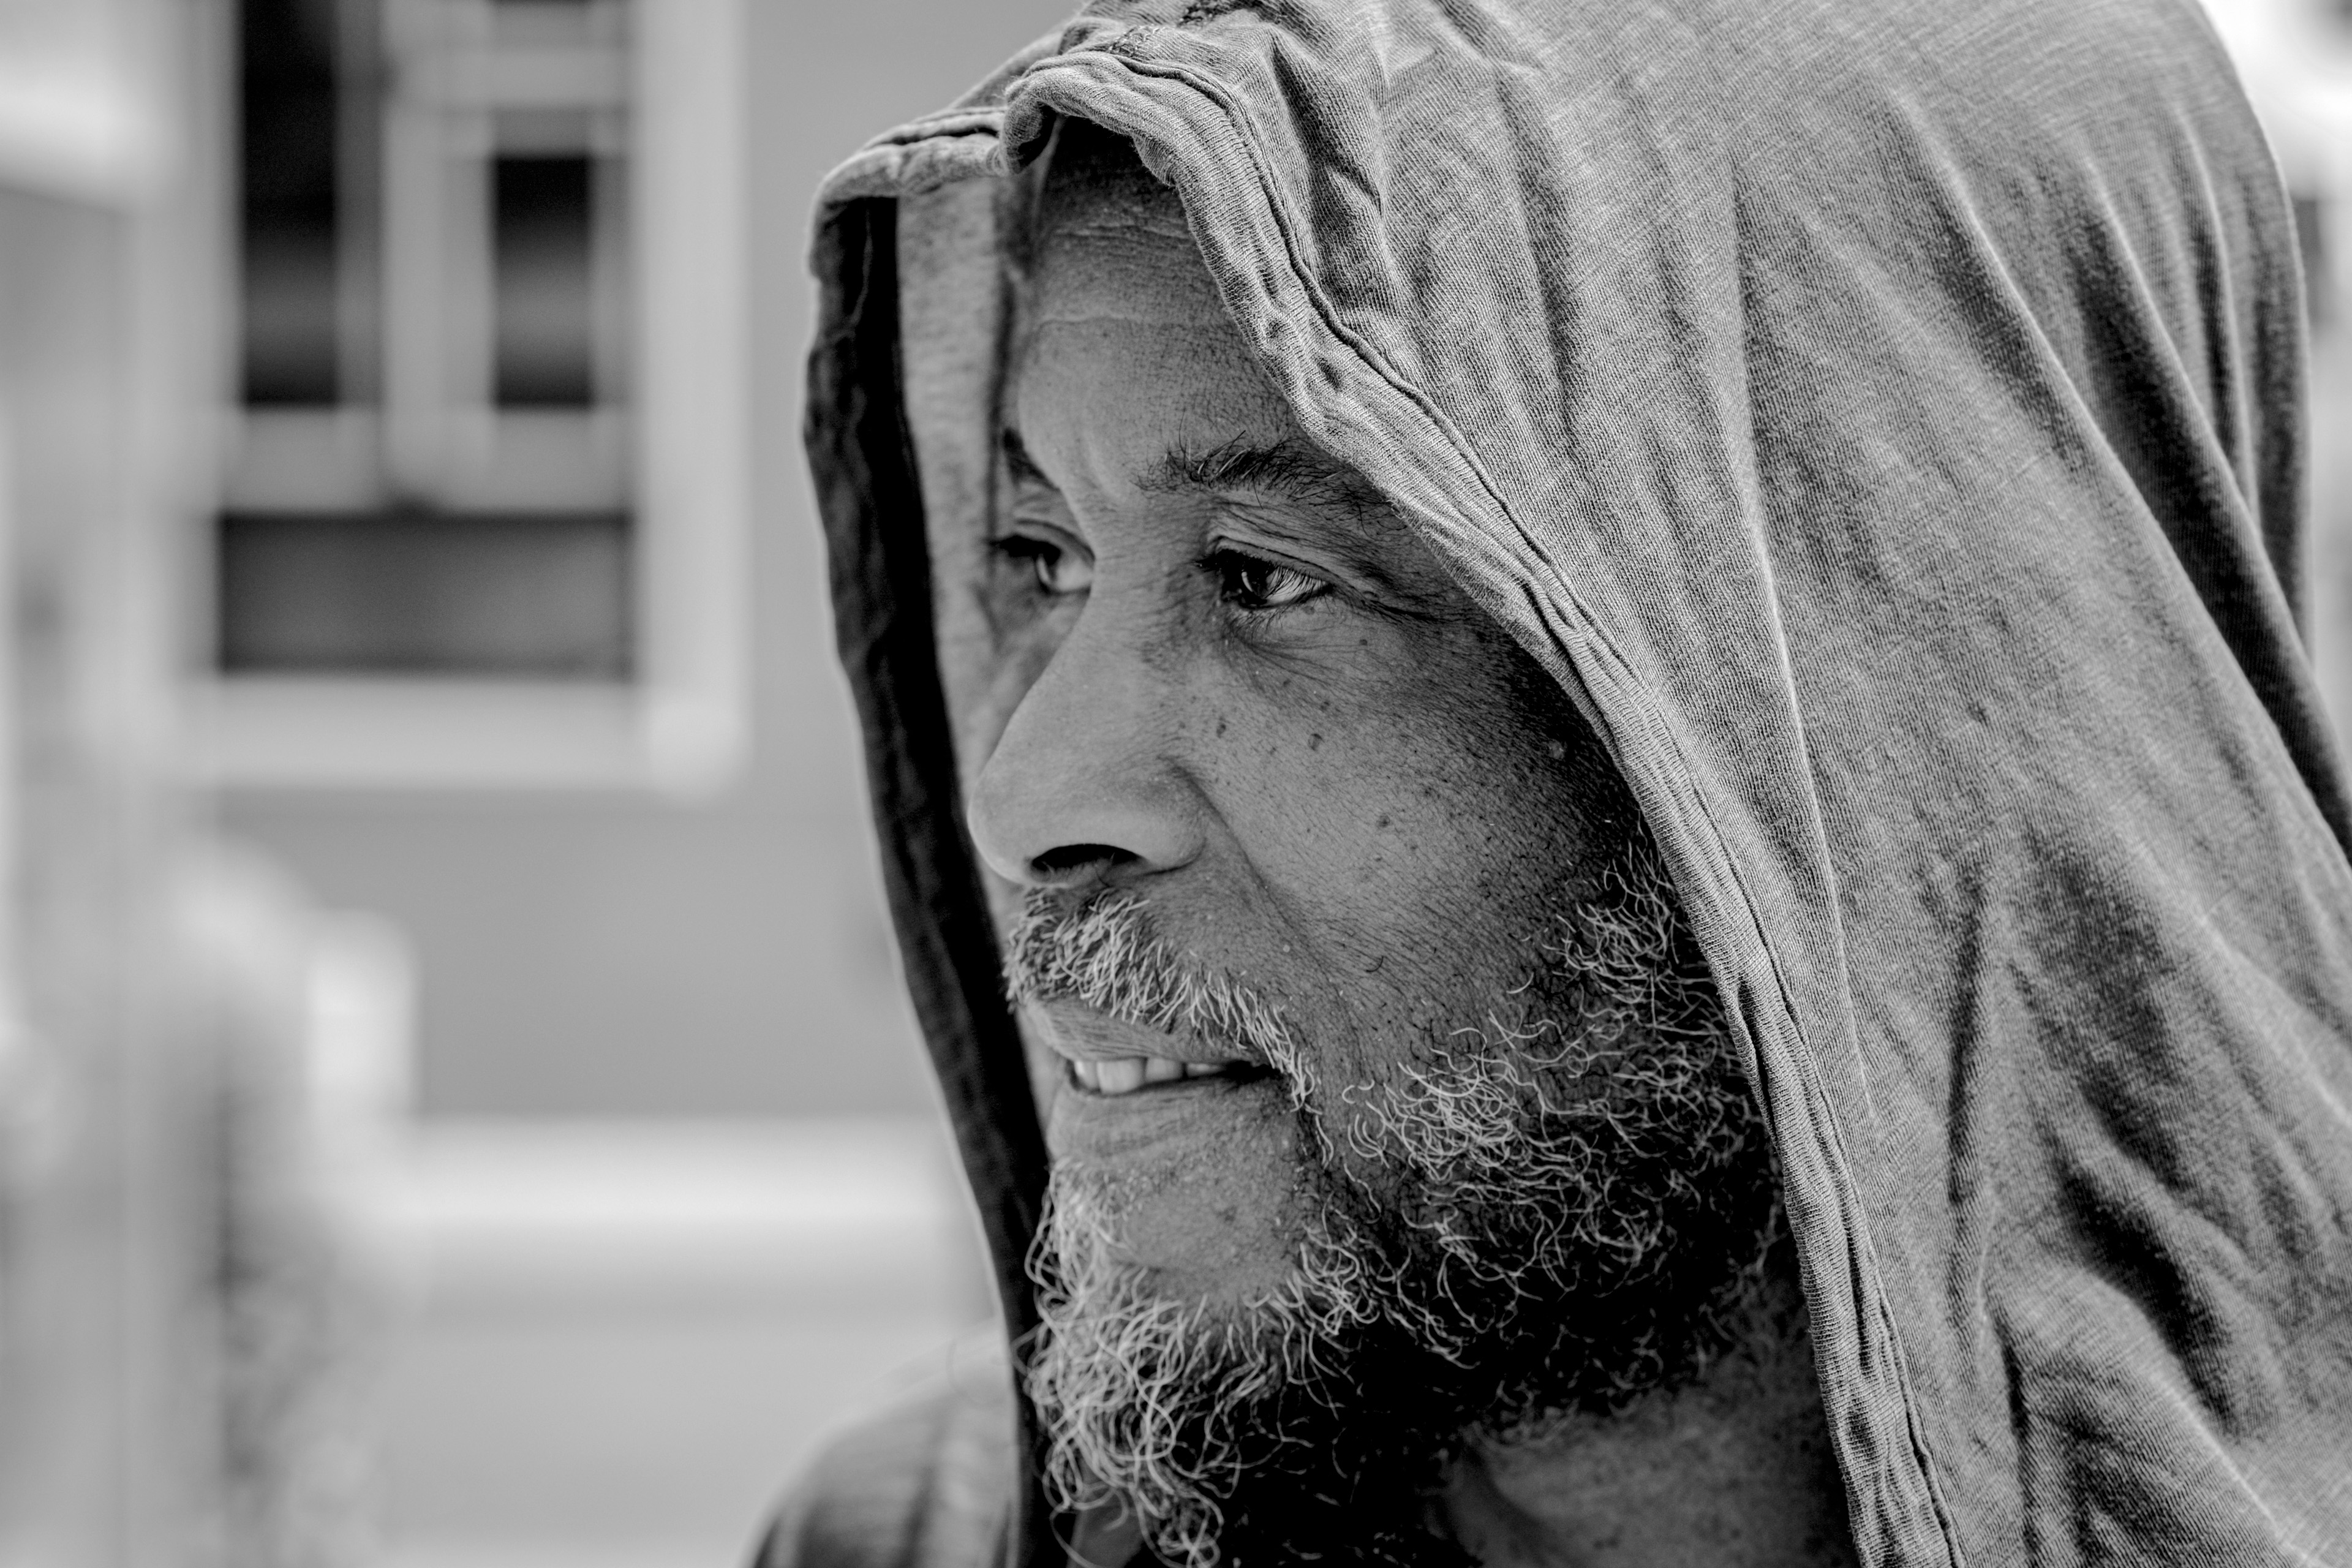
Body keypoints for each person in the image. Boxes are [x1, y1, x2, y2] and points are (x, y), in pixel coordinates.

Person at [768, 0, 2352, 1563]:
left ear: (1887, 701)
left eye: (1265, 577)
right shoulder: (910, 1536)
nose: (1022, 800)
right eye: (1044, 557)